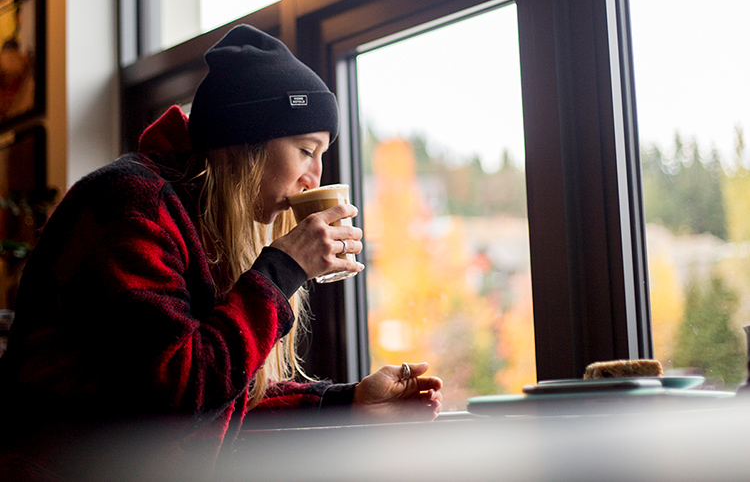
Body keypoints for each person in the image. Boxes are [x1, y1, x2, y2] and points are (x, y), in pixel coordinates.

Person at [0, 25, 442, 480]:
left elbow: (225, 403)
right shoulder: (130, 205)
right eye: (307, 150)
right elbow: (179, 395)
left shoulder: (198, 218)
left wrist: (348, 403)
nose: (315, 177)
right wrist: (283, 268)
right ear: (246, 143)